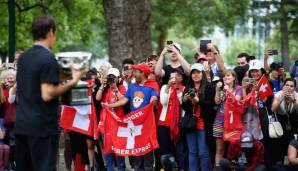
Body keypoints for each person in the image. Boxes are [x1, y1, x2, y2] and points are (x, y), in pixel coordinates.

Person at [14, 15, 86, 171]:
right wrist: (73, 81)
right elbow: (47, 93)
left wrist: (63, 75)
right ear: (51, 32)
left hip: (21, 124)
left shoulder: (24, 58)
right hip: (42, 126)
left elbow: (34, 81)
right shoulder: (48, 58)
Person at [102, 63, 158, 171]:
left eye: (136, 72)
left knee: (147, 157)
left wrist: (153, 100)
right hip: (134, 125)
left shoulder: (152, 85)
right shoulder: (132, 86)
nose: (133, 74)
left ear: (143, 73)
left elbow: (154, 97)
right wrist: (109, 105)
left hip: (147, 126)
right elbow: (124, 100)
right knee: (137, 156)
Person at [182, 63, 215, 171]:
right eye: (193, 73)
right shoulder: (188, 88)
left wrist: (198, 101)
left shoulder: (209, 87)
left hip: (203, 124)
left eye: (198, 72)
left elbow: (211, 106)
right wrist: (185, 101)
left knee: (203, 152)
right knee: (192, 152)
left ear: (203, 74)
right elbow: (185, 108)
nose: (196, 75)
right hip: (190, 124)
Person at [96, 68, 126, 171]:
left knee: (118, 149)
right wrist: (103, 85)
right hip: (106, 124)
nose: (111, 80)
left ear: (118, 78)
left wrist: (115, 88)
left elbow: (123, 100)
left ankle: (121, 168)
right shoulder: (106, 89)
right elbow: (97, 98)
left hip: (117, 124)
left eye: (113, 77)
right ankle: (110, 169)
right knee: (107, 150)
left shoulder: (121, 87)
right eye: (110, 77)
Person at [213, 70, 243, 166]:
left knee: (233, 148)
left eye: (228, 75)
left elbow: (236, 101)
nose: (226, 77)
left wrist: (228, 90)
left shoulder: (239, 88)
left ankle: (232, 168)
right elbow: (217, 102)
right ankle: (218, 168)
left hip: (233, 122)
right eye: (224, 76)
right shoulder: (223, 89)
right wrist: (217, 90)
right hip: (220, 119)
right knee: (220, 149)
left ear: (234, 77)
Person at [158, 68, 185, 170]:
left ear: (181, 78)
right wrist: (169, 86)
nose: (174, 78)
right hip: (164, 123)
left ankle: (180, 167)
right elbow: (163, 101)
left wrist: (177, 90)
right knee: (165, 150)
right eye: (172, 76)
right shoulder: (165, 87)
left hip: (177, 124)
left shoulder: (184, 89)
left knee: (179, 150)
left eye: (177, 76)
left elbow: (182, 104)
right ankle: (165, 168)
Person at [271, 78, 298, 164]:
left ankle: (291, 160)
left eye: (291, 86)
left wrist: (294, 100)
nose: (289, 88)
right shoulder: (278, 94)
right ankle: (280, 161)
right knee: (280, 142)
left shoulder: (296, 95)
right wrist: (282, 98)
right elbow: (273, 109)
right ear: (283, 86)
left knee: (292, 140)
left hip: (293, 120)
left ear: (294, 88)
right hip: (281, 120)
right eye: (287, 85)